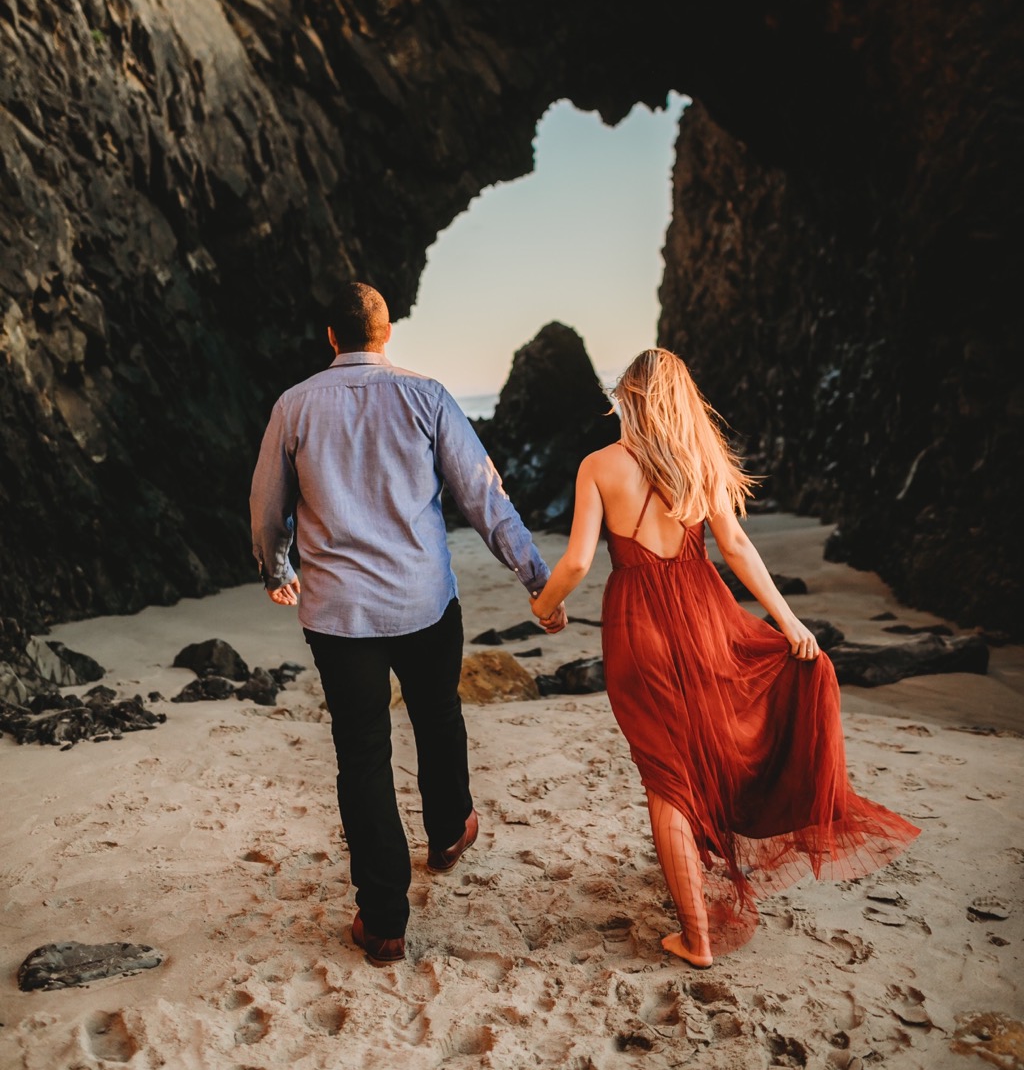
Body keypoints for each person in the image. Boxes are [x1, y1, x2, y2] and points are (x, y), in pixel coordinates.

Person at [527, 347, 920, 966]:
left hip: (638, 626)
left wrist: (544, 606)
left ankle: (696, 937)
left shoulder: (598, 465)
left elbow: (576, 561)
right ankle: (698, 911)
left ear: (628, 398)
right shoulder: (699, 461)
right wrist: (787, 621)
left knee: (664, 776)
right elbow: (735, 546)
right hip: (706, 615)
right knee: (709, 744)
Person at [250, 283, 565, 967]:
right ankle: (450, 830)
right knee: (435, 712)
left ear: (331, 338)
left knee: (361, 754)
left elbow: (266, 508)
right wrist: (538, 577)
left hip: (339, 614)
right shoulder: (427, 395)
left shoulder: (294, 405)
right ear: (387, 332)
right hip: (423, 602)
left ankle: (385, 920)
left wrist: (278, 570)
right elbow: (483, 495)